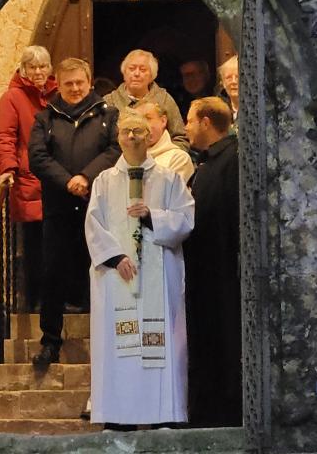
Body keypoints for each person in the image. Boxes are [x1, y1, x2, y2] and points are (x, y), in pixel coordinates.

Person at [85, 110, 194, 427]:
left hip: (158, 276)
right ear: (118, 137)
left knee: (160, 350)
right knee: (120, 352)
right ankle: (118, 418)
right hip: (118, 277)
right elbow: (93, 225)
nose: (131, 137)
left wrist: (152, 216)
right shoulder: (104, 181)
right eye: (125, 131)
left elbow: (185, 219)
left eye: (137, 131)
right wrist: (116, 257)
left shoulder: (169, 179)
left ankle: (164, 417)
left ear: (150, 136)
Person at [28, 57, 121, 369]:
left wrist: (86, 177)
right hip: (59, 206)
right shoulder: (45, 118)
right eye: (68, 83)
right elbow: (38, 158)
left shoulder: (108, 115)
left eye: (79, 82)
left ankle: (105, 341)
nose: (75, 88)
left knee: (100, 270)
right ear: (60, 84)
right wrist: (68, 181)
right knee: (52, 273)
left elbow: (114, 150)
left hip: (99, 206)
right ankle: (50, 341)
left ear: (89, 81)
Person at [182, 97, 242, 427]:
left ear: (206, 121)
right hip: (205, 274)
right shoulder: (209, 164)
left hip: (222, 275)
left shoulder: (231, 160)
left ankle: (224, 413)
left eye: (190, 120)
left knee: (222, 345)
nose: (186, 127)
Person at [0, 45, 57, 311]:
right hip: (30, 181)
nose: (38, 72)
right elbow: (5, 136)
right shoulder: (12, 98)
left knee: (60, 246)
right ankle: (37, 304)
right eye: (33, 67)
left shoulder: (58, 94)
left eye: (43, 66)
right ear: (24, 69)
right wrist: (8, 167)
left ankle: (61, 301)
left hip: (57, 180)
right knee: (35, 249)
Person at [104, 49, 190, 151]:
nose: (136, 74)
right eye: (131, 69)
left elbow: (180, 138)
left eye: (143, 70)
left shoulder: (164, 99)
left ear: (151, 76)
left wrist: (167, 159)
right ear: (124, 73)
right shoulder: (109, 101)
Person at [134, 102, 194, 184]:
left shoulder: (179, 158)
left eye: (148, 118)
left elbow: (168, 194)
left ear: (163, 121)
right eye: (138, 120)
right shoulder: (128, 158)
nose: (143, 125)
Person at [218, 55, 239, 131]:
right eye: (229, 78)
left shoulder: (257, 108)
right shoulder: (217, 110)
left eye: (238, 77)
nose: (233, 81)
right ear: (223, 83)